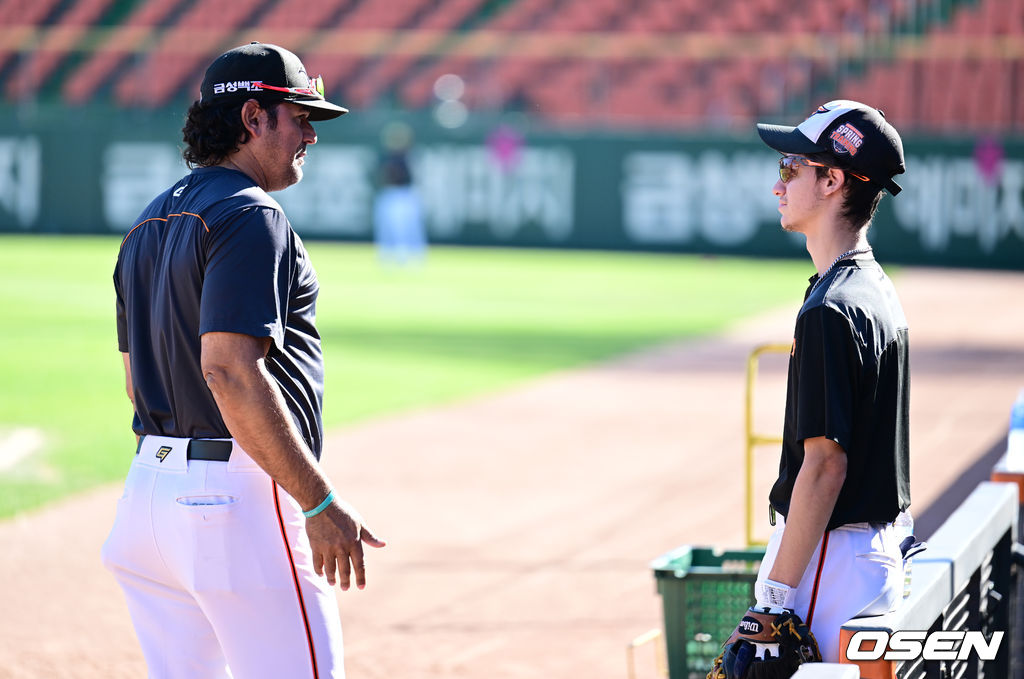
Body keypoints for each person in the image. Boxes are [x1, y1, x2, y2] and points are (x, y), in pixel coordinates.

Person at [105, 42, 385, 678]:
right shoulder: (251, 213)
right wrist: (317, 502)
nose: (311, 133)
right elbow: (229, 369)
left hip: (147, 500)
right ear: (254, 117)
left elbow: (133, 382)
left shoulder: (146, 224)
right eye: (299, 116)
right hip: (236, 502)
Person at [747, 100, 914, 664]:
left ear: (832, 180)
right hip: (865, 555)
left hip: (829, 561)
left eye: (790, 167)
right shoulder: (873, 289)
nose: (779, 184)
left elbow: (825, 465)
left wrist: (773, 601)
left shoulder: (831, 307)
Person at [372, 121, 426, 265]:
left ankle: (413, 257)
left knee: (407, 228)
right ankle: (388, 256)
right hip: (389, 193)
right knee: (387, 228)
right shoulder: (384, 156)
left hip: (405, 194)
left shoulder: (409, 156)